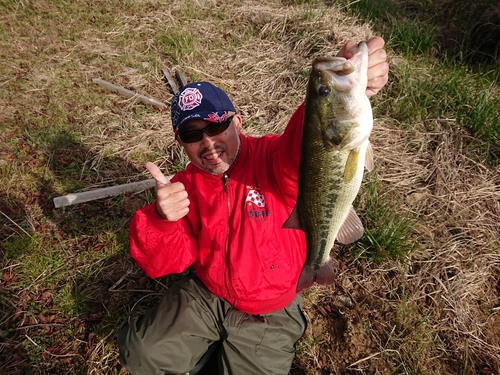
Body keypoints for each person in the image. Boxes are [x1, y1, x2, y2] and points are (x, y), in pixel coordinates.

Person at [117, 37, 389, 375]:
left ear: (238, 123)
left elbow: (306, 149)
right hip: (209, 295)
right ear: (180, 143)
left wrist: (345, 89)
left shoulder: (273, 157)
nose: (208, 143)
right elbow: (163, 264)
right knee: (139, 351)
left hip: (269, 309)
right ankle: (208, 351)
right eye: (192, 134)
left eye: (217, 125)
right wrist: (161, 220)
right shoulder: (183, 188)